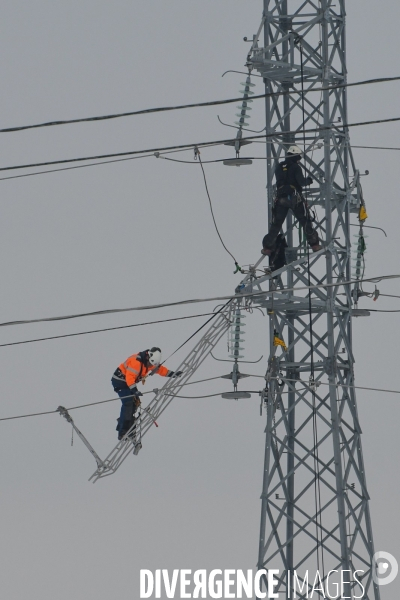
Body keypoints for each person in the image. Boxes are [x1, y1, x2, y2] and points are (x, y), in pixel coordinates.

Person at [261, 145, 322, 256]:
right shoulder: (295, 167)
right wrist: (309, 180)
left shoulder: (279, 167)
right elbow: (301, 182)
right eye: (298, 157)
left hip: (281, 198)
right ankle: (314, 244)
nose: (299, 160)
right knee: (305, 221)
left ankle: (267, 247)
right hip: (294, 198)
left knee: (276, 224)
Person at [111, 347, 182, 440]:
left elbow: (160, 369)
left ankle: (124, 422)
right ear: (148, 357)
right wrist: (134, 390)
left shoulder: (150, 363)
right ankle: (123, 431)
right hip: (120, 381)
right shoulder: (136, 362)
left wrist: (173, 374)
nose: (149, 367)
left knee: (134, 404)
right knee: (128, 403)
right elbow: (130, 377)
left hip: (128, 383)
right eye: (149, 364)